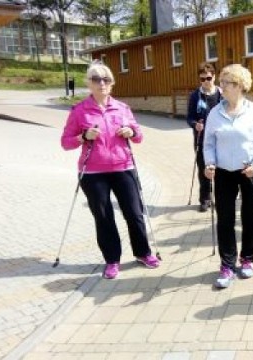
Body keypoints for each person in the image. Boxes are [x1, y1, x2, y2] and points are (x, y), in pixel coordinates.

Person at [60, 62, 160, 280]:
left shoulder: (122, 108)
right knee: (104, 217)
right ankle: (112, 260)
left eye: (106, 79)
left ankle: (143, 253)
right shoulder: (79, 111)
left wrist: (130, 131)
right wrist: (83, 137)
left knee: (134, 214)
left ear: (112, 83)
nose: (102, 83)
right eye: (96, 79)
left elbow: (139, 136)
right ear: (89, 83)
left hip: (123, 167)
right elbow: (66, 143)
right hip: (93, 173)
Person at [203, 64, 253, 289]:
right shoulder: (215, 112)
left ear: (240, 86)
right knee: (225, 218)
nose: (221, 86)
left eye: (227, 83)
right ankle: (227, 264)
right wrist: (209, 163)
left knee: (250, 216)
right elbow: (209, 143)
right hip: (223, 172)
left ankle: (248, 259)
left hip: (250, 171)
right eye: (221, 82)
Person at [187, 62, 222, 212]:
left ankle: (221, 197)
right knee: (204, 169)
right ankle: (205, 198)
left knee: (220, 171)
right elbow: (189, 117)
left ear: (214, 76)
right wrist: (195, 124)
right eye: (202, 79)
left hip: (221, 139)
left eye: (208, 78)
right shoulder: (195, 95)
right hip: (201, 139)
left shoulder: (221, 94)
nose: (206, 82)